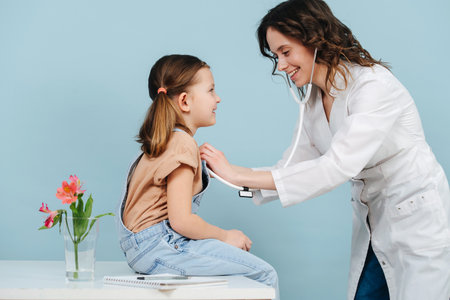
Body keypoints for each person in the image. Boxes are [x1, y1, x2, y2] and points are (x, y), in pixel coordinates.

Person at [199, 1, 450, 300]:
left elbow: (334, 168)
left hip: (417, 225)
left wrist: (237, 173)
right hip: (374, 226)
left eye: (285, 51)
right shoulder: (313, 102)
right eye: (275, 55)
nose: (280, 65)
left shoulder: (373, 86)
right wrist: (225, 175)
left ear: (314, 39)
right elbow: (290, 167)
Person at [115, 54, 279, 299]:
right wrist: (226, 237)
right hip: (159, 246)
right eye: (211, 90)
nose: (218, 98)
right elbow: (181, 221)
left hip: (140, 248)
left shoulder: (166, 141)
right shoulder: (182, 144)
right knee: (264, 275)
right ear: (185, 101)